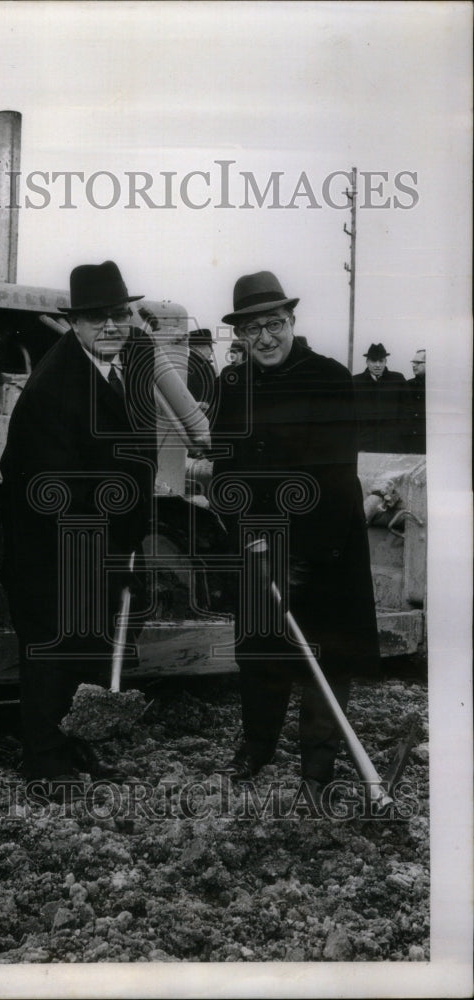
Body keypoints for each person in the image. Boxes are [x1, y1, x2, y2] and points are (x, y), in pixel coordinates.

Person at [210, 271, 380, 804]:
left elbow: (334, 473)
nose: (265, 338)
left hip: (325, 543)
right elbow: (224, 470)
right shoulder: (231, 385)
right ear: (239, 334)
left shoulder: (327, 377)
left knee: (321, 654)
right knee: (260, 652)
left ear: (292, 322)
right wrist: (245, 532)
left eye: (274, 324)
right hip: (259, 545)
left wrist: (303, 558)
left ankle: (318, 765)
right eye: (253, 328)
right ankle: (256, 746)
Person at [0, 261, 157, 792]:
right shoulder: (53, 386)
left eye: (119, 314)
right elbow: (52, 487)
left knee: (89, 645)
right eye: (95, 319)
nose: (110, 326)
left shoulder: (126, 367)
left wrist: (131, 540)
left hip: (106, 541)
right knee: (53, 651)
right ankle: (46, 763)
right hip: (55, 548)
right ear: (74, 323)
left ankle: (78, 742)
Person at [351, 343, 407, 452]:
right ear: (367, 362)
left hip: (392, 444)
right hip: (364, 444)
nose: (377, 365)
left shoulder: (398, 379)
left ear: (386, 361)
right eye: (373, 361)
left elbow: (406, 409)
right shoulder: (355, 381)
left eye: (381, 361)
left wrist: (399, 434)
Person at [186, 327, 218, 420]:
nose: (212, 351)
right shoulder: (191, 366)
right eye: (210, 346)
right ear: (198, 346)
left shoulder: (204, 365)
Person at [403, 349, 426, 453]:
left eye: (418, 362)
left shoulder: (438, 388)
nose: (413, 365)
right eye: (413, 362)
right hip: (409, 444)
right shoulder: (407, 385)